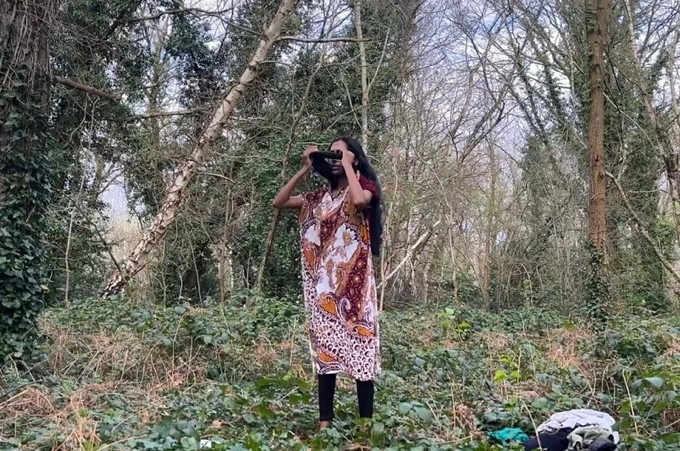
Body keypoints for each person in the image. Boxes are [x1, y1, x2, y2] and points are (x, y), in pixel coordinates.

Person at [273, 136, 382, 429]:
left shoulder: (365, 187)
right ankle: (325, 424)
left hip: (357, 289)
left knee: (362, 352)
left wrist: (349, 168)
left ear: (354, 158)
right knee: (326, 354)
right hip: (326, 289)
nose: (335, 159)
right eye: (330, 155)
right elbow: (279, 201)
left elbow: (359, 202)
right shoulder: (320, 198)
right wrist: (306, 169)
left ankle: (365, 427)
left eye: (340, 154)